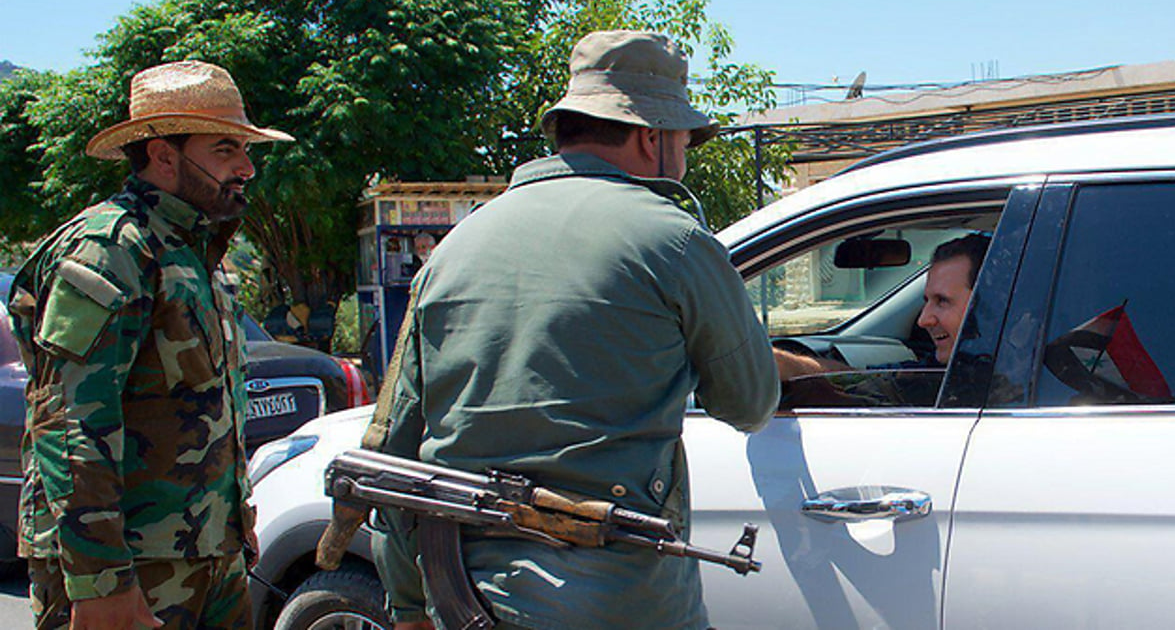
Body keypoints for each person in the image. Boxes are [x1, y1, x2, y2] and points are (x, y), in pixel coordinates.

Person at [370, 31, 780, 630]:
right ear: (652, 137)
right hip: (622, 600)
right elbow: (751, 403)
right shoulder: (676, 241)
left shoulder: (454, 250)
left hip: (461, 593)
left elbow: (395, 445)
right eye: (686, 140)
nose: (686, 156)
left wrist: (407, 605)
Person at [6, 60, 293, 630]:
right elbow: (68, 422)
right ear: (164, 155)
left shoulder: (194, 251)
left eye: (245, 149)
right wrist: (100, 580)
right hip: (129, 566)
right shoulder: (109, 248)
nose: (246, 167)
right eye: (224, 150)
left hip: (206, 551)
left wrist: (236, 521)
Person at [775, 233, 992, 379]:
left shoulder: (997, 384)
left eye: (942, 301)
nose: (923, 320)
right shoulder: (941, 374)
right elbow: (857, 380)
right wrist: (779, 365)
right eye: (925, 302)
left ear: (987, 306)